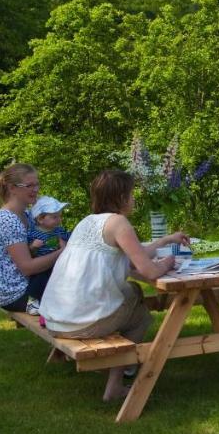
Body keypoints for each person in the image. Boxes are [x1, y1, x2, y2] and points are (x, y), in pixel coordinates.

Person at [40, 169, 185, 402]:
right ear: (120, 198)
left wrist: (166, 240)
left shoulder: (87, 221)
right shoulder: (119, 223)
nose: (134, 198)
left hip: (56, 317)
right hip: (81, 323)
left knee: (132, 291)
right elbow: (148, 270)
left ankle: (120, 368)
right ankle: (117, 382)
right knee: (140, 315)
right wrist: (168, 263)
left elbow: (135, 254)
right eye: (131, 194)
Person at [0, 163, 61, 314]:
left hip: (28, 284)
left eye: (37, 184)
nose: (36, 189)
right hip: (15, 295)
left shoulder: (26, 215)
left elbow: (35, 250)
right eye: (29, 185)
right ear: (12, 188)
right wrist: (63, 252)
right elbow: (27, 267)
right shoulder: (7, 220)